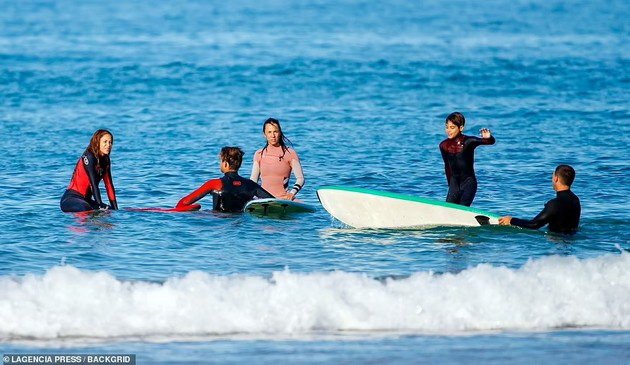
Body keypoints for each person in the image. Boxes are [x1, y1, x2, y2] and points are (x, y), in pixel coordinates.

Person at [176, 146, 274, 213]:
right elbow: (274, 202)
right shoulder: (250, 185)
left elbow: (183, 203)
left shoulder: (215, 184)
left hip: (219, 223)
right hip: (241, 223)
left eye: (221, 161)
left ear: (225, 164)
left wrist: (195, 208)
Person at [499, 165, 581, 234]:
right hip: (571, 241)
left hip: (557, 244)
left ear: (556, 179)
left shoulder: (555, 203)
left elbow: (534, 225)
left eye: (552, 177)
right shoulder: (575, 200)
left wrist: (511, 220)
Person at [439, 112, 495, 206]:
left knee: (462, 209)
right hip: (454, 183)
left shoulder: (468, 141)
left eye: (452, 127)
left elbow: (490, 142)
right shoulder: (443, 145)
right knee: (449, 209)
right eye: (447, 127)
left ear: (461, 128)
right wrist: (451, 186)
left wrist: (488, 137)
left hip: (469, 183)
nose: (448, 130)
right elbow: (447, 166)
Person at [60, 129, 118, 212]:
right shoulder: (89, 157)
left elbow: (109, 185)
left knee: (110, 211)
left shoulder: (106, 160)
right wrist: (99, 205)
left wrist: (116, 209)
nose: (108, 145)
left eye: (110, 142)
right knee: (87, 208)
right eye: (105, 142)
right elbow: (93, 184)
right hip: (71, 199)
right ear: (97, 142)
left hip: (86, 201)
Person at [250, 118, 305, 200]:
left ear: (280, 133)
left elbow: (300, 179)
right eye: (269, 132)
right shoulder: (259, 154)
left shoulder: (290, 153)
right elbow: (253, 180)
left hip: (284, 199)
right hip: (263, 199)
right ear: (264, 134)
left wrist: (291, 193)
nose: (273, 135)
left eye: (275, 131)